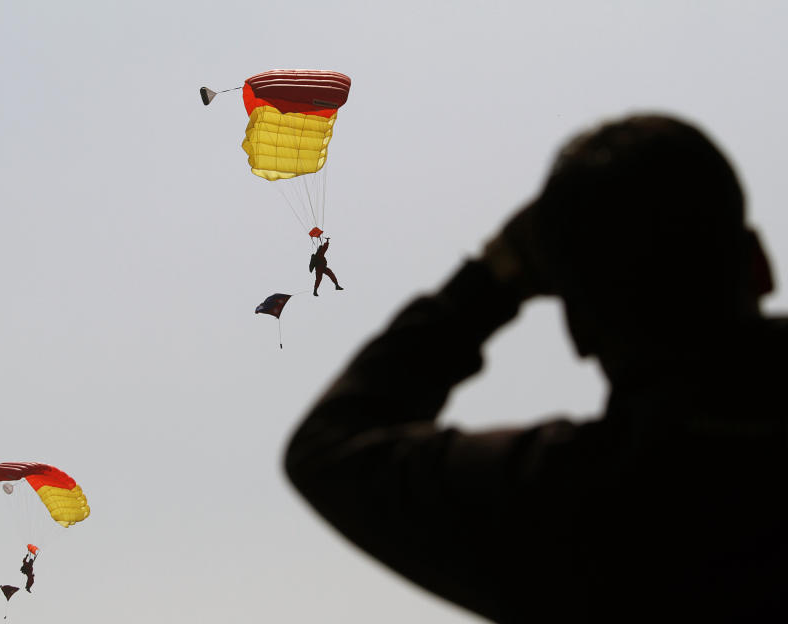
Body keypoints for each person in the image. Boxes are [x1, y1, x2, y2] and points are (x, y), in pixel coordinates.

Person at [285, 115, 786, 623]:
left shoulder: (578, 505)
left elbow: (330, 451)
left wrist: (490, 279)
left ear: (578, 329)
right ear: (760, 263)